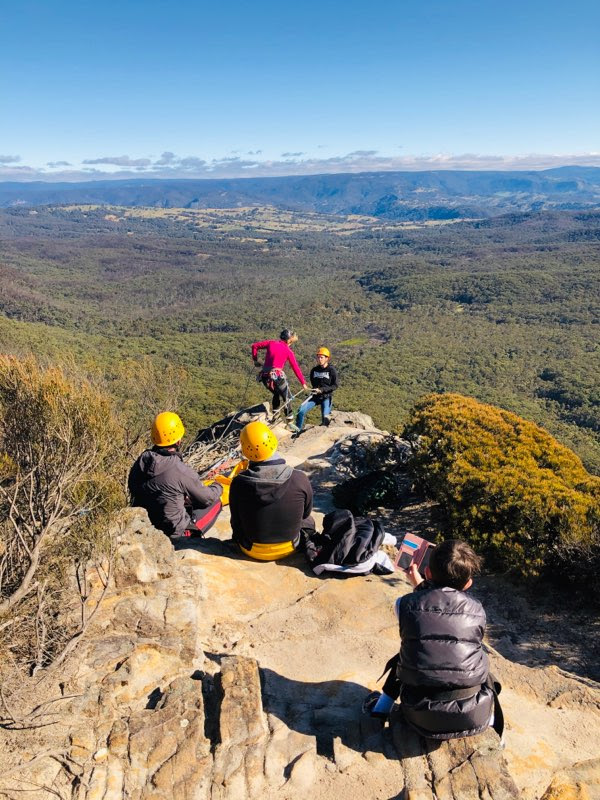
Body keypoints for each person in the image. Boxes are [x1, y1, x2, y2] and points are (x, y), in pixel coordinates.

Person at [363, 539, 503, 741]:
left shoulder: (403, 604)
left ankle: (381, 709)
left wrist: (419, 587)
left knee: (408, 655)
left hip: (419, 713)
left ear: (427, 572)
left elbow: (424, 619)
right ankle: (492, 724)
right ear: (468, 583)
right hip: (473, 714)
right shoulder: (477, 610)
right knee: (475, 658)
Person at [229, 420, 315, 560]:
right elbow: (306, 513)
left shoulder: (239, 483)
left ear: (246, 451)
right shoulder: (299, 478)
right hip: (290, 548)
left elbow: (236, 522)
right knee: (308, 520)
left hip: (251, 549)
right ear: (273, 442)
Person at [128, 411, 223, 538]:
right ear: (178, 441)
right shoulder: (179, 470)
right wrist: (218, 486)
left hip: (145, 526)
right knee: (216, 502)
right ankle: (191, 534)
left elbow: (137, 489)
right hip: (174, 534)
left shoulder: (142, 461)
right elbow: (207, 498)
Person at [251, 329, 309, 422]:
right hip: (277, 377)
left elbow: (254, 346)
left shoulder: (271, 343)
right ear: (289, 340)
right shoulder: (288, 351)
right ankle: (289, 420)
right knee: (287, 397)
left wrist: (255, 360)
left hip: (265, 378)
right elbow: (296, 368)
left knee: (276, 393)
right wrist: (303, 383)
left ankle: (276, 415)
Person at [293, 346, 338, 433]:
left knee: (325, 418)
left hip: (326, 396)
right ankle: (297, 431)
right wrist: (314, 390)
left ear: (327, 358)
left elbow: (335, 385)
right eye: (318, 357)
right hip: (315, 396)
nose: (319, 359)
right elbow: (313, 382)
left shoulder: (331, 370)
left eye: (322, 357)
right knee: (301, 411)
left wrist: (322, 390)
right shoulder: (314, 370)